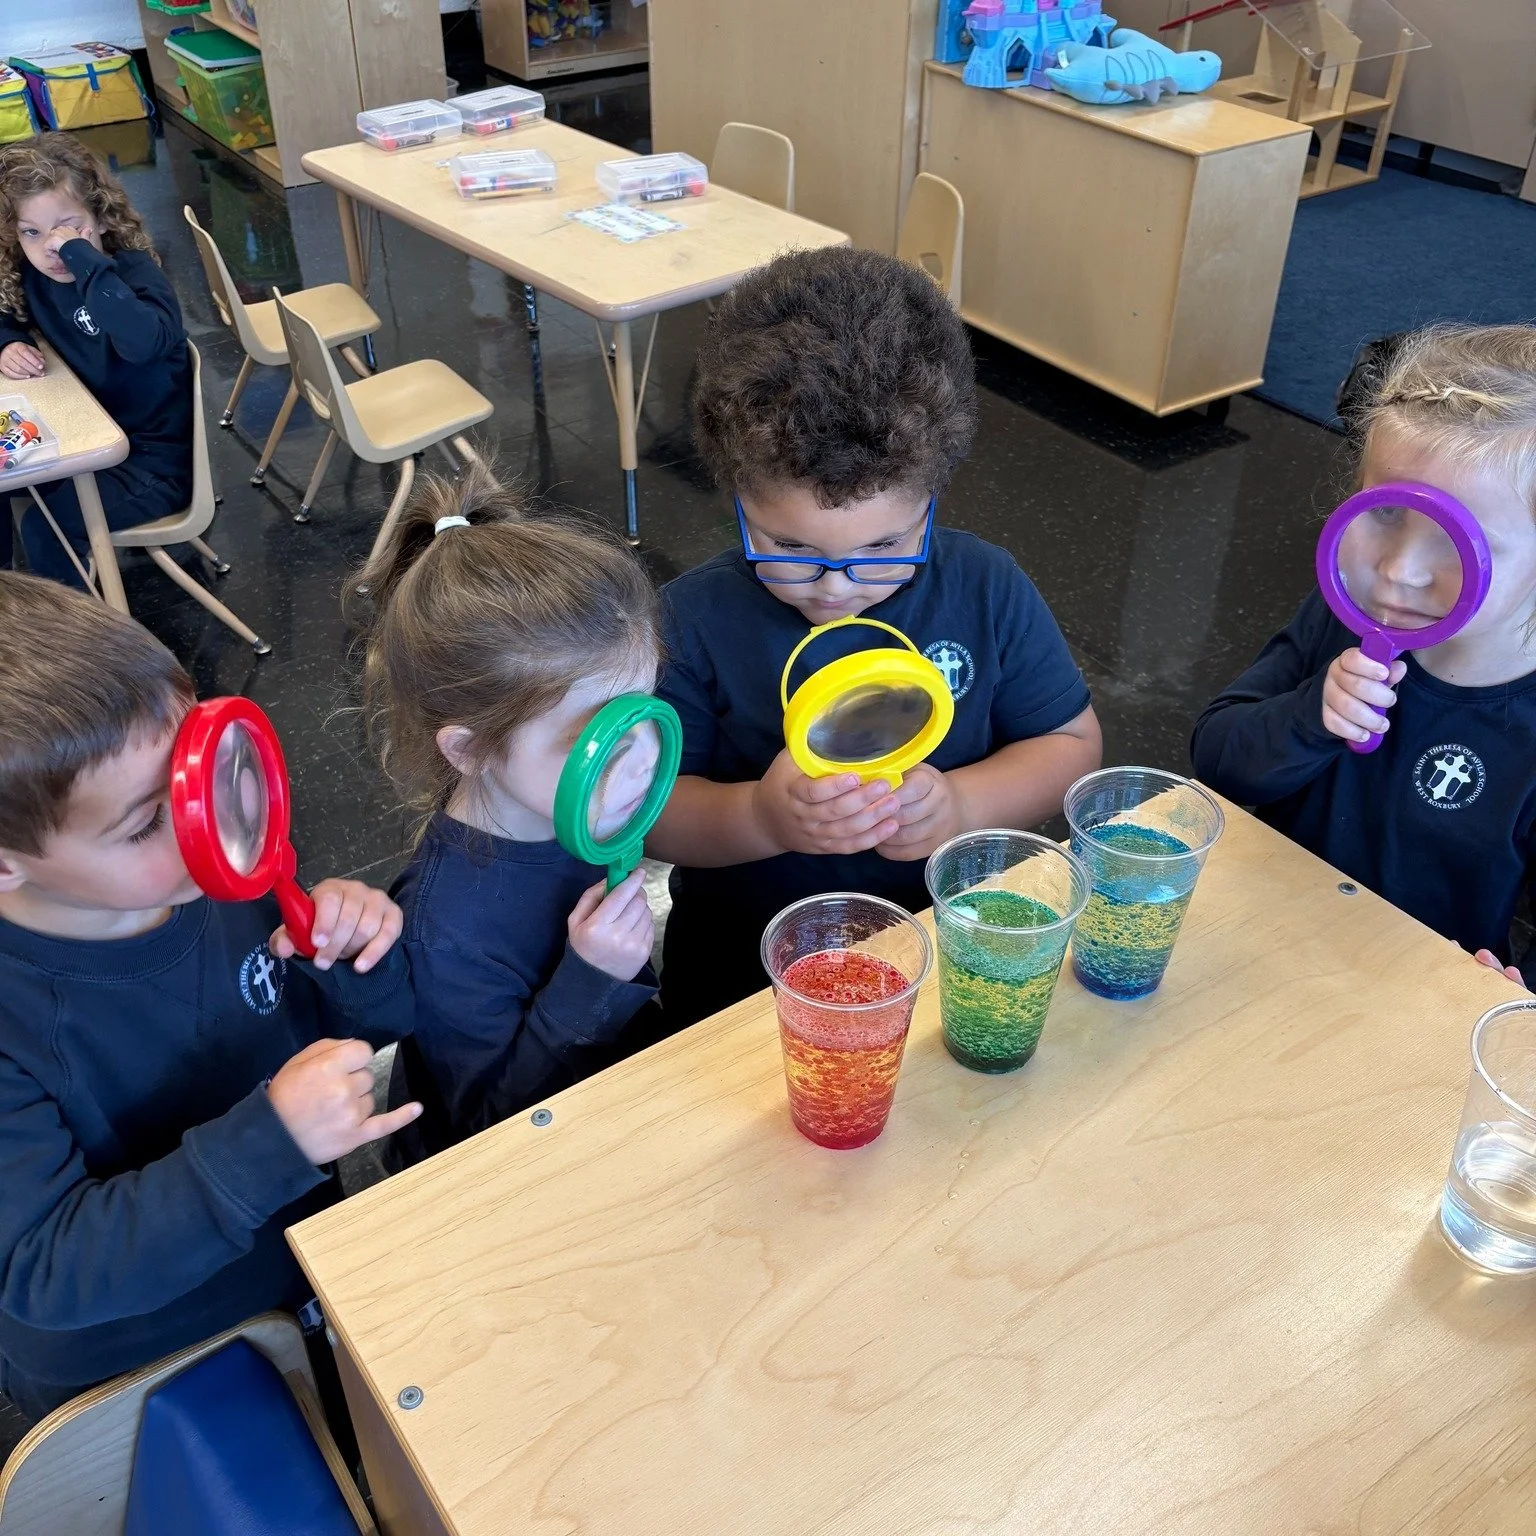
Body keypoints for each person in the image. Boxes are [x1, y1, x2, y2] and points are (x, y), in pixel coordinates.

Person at [0, 572, 420, 1421]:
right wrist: (271, 1140)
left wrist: (351, 956)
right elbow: (42, 1270)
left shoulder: (217, 872)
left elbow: (371, 1031)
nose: (217, 820)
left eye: (204, 767)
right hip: (147, 1368)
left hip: (298, 1268)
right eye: (147, 821)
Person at [648, 246, 1103, 1025]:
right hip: (743, 978)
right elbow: (653, 816)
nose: (837, 586)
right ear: (735, 497)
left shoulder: (985, 586)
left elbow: (1070, 745)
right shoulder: (688, 621)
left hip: (936, 952)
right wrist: (760, 817)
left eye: (885, 548)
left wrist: (960, 803)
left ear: (933, 499)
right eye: (789, 548)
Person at [1192, 324, 1536, 983]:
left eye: (1461, 540)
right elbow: (1217, 758)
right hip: (1259, 941)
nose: (1399, 570)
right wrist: (1310, 717)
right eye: (1384, 514)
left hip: (1413, 994)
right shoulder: (1343, 616)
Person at [349, 465, 671, 1160]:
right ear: (470, 749)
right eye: (592, 742)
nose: (641, 758)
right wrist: (592, 979)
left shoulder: (566, 806)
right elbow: (487, 1126)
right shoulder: (444, 930)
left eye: (640, 710)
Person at [0, 133, 192, 588]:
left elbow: (142, 342)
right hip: (87, 437)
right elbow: (2, 312)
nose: (53, 246)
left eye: (69, 229)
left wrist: (84, 261)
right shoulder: (32, 275)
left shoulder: (134, 277)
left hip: (153, 466)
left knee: (45, 529)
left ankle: (77, 646)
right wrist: (7, 341)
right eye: (32, 232)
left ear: (102, 219)